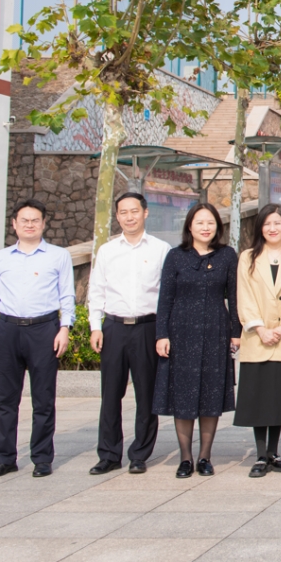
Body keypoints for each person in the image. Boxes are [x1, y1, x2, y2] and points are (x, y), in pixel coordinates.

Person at [0, 200, 75, 479]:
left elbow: (67, 294)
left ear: (43, 223)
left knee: (43, 399)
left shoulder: (58, 256)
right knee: (6, 400)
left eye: (35, 220)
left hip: (44, 330)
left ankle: (42, 458)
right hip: (8, 330)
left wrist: (65, 328)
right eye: (24, 220)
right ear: (14, 224)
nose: (29, 224)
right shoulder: (2, 257)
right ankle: (4, 458)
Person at [154, 203, 240, 477]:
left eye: (210, 223)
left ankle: (204, 457)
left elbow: (234, 297)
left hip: (215, 330)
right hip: (181, 332)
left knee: (210, 394)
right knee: (184, 394)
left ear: (218, 226)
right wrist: (161, 334)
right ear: (189, 226)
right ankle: (185, 458)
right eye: (200, 222)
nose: (205, 227)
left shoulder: (227, 255)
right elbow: (165, 299)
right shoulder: (175, 256)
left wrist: (236, 332)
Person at [88, 192, 169, 476]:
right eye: (123, 212)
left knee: (146, 395)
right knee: (110, 394)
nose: (129, 217)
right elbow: (96, 290)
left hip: (148, 327)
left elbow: (167, 295)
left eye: (134, 211)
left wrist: (164, 332)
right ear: (117, 216)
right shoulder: (107, 251)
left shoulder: (161, 249)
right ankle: (109, 454)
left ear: (145, 213)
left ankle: (139, 454)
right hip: (114, 327)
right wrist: (95, 326)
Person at [234, 205, 281, 478]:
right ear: (260, 228)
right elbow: (243, 296)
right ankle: (260, 454)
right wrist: (260, 328)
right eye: (267, 224)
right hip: (257, 337)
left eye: (277, 223)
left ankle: (274, 452)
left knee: (279, 397)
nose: (272, 228)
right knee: (259, 397)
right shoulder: (247, 257)